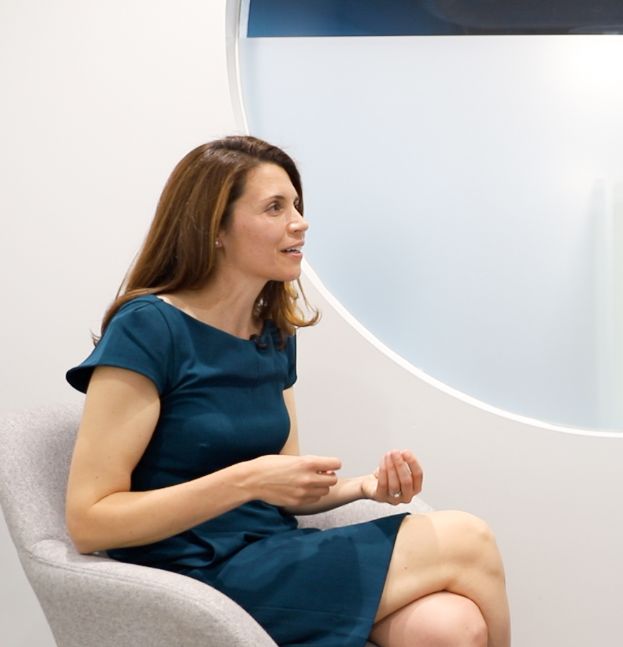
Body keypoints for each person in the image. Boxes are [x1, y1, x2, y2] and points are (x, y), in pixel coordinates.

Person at [65, 135, 512, 647]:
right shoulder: (149, 327)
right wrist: (246, 480)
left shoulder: (273, 333)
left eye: (296, 205)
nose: (300, 222)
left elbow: (287, 488)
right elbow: (90, 521)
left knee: (450, 627)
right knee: (467, 537)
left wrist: (365, 487)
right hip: (192, 578)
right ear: (215, 228)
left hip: (271, 555)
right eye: (275, 207)